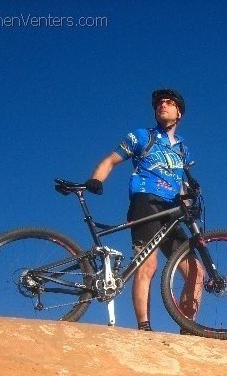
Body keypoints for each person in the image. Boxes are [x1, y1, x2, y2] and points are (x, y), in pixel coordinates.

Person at [85, 88, 203, 333]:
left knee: (196, 271)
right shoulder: (142, 136)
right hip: (146, 201)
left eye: (169, 103)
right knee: (147, 265)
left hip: (171, 210)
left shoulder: (182, 149)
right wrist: (96, 180)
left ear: (179, 113)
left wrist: (190, 204)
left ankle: (187, 330)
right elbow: (111, 160)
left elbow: (182, 184)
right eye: (159, 103)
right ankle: (144, 327)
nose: (163, 105)